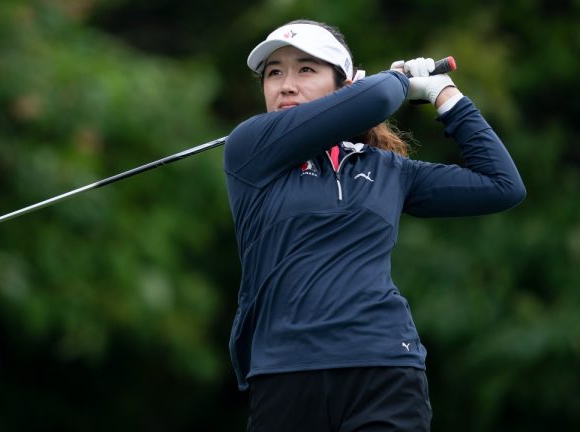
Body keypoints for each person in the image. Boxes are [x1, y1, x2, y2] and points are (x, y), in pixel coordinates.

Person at [223, 19, 525, 431]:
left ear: (344, 86)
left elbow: (502, 186)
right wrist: (398, 79)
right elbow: (382, 94)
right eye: (274, 72)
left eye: (306, 69)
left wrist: (443, 93)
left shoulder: (388, 170)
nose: (286, 85)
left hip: (384, 367)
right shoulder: (250, 149)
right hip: (286, 372)